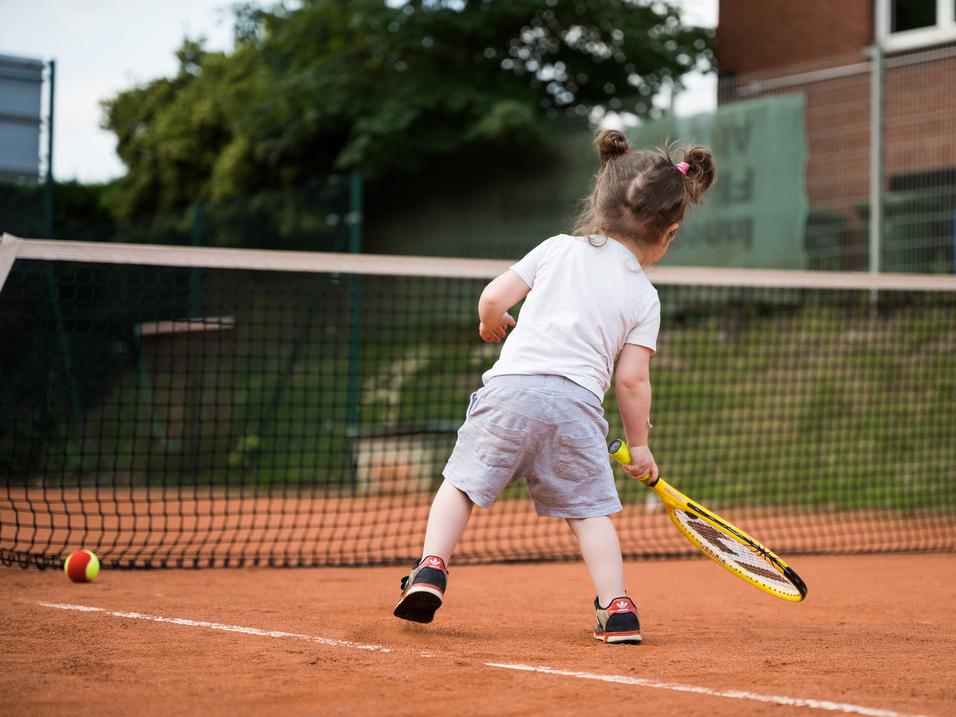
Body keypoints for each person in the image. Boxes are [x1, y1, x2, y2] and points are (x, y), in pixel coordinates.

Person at [393, 129, 717, 644]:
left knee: (461, 485)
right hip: (577, 408)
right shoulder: (644, 296)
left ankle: (431, 568)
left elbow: (493, 299)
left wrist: (490, 323)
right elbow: (631, 380)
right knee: (590, 514)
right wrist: (640, 445)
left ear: (601, 201)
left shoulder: (555, 249)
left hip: (508, 395)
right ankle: (618, 608)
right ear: (669, 232)